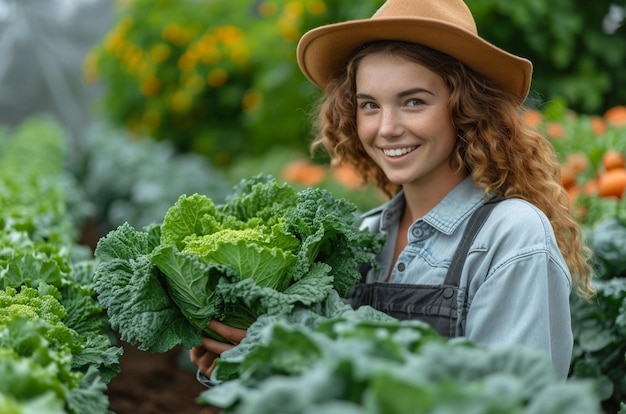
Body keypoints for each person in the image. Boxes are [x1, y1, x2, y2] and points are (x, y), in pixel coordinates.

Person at [190, 0, 594, 383]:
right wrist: (244, 364)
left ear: (467, 109)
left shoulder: (510, 238)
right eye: (369, 105)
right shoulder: (357, 237)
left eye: (413, 101)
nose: (386, 128)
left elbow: (510, 402)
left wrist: (310, 362)